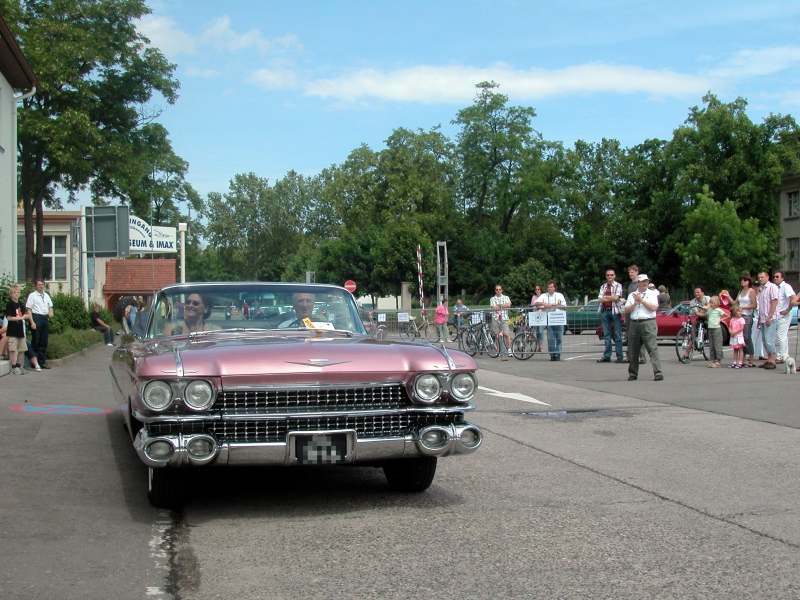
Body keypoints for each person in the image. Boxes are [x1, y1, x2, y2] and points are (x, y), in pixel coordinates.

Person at [624, 274, 663, 381]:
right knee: (633, 350)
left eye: (646, 281)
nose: (645, 283)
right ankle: (633, 373)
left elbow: (654, 307)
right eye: (642, 281)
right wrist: (634, 304)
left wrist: (642, 300)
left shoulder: (652, 293)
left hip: (648, 322)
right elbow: (626, 310)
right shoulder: (632, 294)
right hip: (634, 323)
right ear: (638, 283)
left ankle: (658, 372)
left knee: (652, 348)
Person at [6, 284, 39, 374]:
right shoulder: (10, 304)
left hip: (20, 331)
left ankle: (20, 366)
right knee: (13, 349)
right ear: (11, 294)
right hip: (12, 331)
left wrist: (24, 316)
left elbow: (27, 314)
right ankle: (14, 367)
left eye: (18, 292)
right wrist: (20, 318)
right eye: (14, 292)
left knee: (22, 349)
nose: (17, 294)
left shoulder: (20, 303)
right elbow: (9, 317)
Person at [597, 268, 625, 363]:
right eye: (608, 275)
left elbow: (617, 298)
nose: (610, 276)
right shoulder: (603, 286)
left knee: (617, 335)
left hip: (615, 312)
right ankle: (607, 356)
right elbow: (600, 299)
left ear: (614, 276)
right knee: (606, 335)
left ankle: (619, 356)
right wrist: (611, 298)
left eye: (611, 275)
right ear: (606, 276)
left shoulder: (618, 285)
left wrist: (607, 298)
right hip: (604, 311)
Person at [535, 281, 567, 361]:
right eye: (549, 287)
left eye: (551, 287)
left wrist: (555, 305)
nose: (550, 288)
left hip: (559, 319)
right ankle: (552, 355)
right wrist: (545, 305)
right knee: (551, 338)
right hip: (549, 320)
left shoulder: (560, 295)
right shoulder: (544, 295)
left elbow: (564, 306)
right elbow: (537, 303)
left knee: (559, 338)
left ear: (554, 288)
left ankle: (558, 354)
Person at [25, 279, 53, 369]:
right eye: (39, 285)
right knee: (36, 341)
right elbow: (29, 309)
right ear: (36, 286)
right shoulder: (32, 296)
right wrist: (32, 322)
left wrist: (51, 312)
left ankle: (42, 362)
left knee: (44, 341)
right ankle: (34, 362)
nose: (41, 286)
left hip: (45, 318)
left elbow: (50, 306)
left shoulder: (46, 295)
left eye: (42, 284)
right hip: (36, 317)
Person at [755, 271, 779, 369]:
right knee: (765, 340)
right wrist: (760, 319)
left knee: (769, 340)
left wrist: (769, 316)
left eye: (762, 277)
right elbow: (761, 306)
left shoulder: (772, 287)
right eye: (759, 277)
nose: (760, 279)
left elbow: (774, 301)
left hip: (771, 318)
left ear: (767, 277)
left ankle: (773, 360)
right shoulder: (761, 289)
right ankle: (769, 359)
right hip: (763, 319)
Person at [772, 271, 795, 363]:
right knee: (781, 336)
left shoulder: (786, 286)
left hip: (784, 315)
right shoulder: (775, 287)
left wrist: (787, 310)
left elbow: (793, 298)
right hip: (777, 315)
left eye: (777, 277)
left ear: (782, 278)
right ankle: (784, 355)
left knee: (780, 335)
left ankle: (782, 356)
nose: (775, 278)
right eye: (774, 277)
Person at [625, 265, 647, 364]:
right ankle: (631, 356)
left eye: (632, 272)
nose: (630, 274)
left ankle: (642, 357)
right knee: (630, 335)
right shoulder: (630, 285)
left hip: (640, 312)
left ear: (637, 272)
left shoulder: (640, 284)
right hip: (631, 313)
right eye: (629, 272)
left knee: (640, 335)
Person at [736, 274, 757, 367]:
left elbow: (754, 305)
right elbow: (735, 302)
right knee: (741, 337)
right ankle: (742, 358)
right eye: (741, 280)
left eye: (744, 280)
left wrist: (743, 307)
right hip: (740, 316)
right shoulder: (740, 291)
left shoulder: (751, 291)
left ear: (748, 282)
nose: (742, 282)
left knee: (747, 337)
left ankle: (751, 358)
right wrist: (727, 296)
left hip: (747, 316)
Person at [489, 285, 513, 360]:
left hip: (504, 318)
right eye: (497, 289)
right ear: (495, 291)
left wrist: (499, 305)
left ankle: (509, 350)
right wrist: (503, 306)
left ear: (502, 290)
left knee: (506, 334)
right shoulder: (492, 298)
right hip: (495, 318)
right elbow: (493, 307)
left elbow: (509, 305)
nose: (498, 291)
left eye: (499, 289)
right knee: (497, 335)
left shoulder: (506, 297)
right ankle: (498, 351)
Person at [705, 296, 725, 368]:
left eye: (712, 302)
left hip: (717, 329)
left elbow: (725, 315)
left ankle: (718, 361)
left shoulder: (718, 310)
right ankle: (712, 360)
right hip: (710, 329)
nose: (710, 304)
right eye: (710, 302)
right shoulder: (709, 310)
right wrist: (707, 307)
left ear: (716, 303)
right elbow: (706, 313)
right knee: (711, 345)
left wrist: (719, 320)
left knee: (717, 345)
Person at [728, 304, 745, 369]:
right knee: (735, 350)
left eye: (741, 311)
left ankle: (740, 363)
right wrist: (730, 332)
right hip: (733, 336)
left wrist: (735, 332)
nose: (740, 313)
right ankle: (734, 362)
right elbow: (730, 327)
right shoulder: (732, 319)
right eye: (739, 311)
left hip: (739, 337)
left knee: (740, 349)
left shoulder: (741, 319)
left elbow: (742, 328)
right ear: (735, 312)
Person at [530, 285, 544, 352]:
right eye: (536, 289)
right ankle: (537, 346)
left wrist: (538, 305)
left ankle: (541, 346)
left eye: (538, 289)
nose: (537, 290)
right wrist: (538, 305)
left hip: (542, 316)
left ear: (540, 290)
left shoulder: (543, 296)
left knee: (540, 332)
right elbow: (533, 305)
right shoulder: (534, 297)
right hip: (535, 316)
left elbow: (544, 305)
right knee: (535, 332)